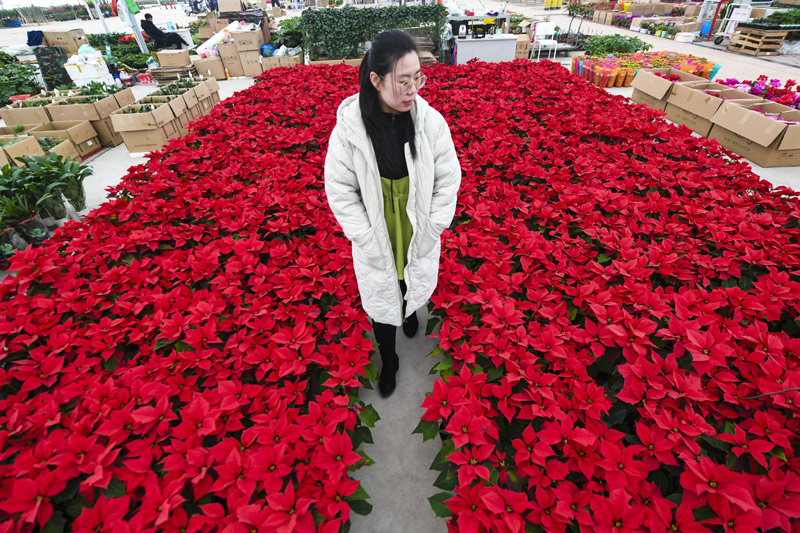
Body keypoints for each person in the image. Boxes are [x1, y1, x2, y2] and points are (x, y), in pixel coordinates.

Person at [324, 30, 461, 398]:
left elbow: (448, 176)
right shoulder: (351, 130)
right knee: (382, 295)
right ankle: (390, 359)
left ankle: (413, 309)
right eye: (403, 81)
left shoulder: (429, 121)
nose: (413, 88)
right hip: (377, 224)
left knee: (409, 278)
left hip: (415, 220)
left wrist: (433, 224)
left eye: (418, 78)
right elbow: (340, 189)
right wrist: (366, 236)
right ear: (376, 79)